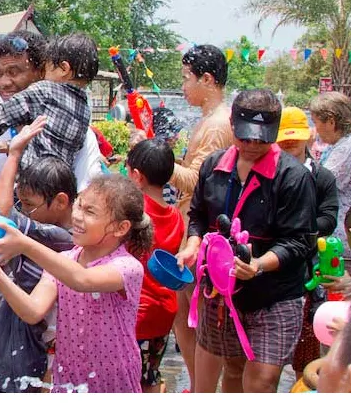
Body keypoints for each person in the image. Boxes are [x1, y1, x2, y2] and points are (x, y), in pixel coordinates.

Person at [177, 89, 316, 393]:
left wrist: (259, 265)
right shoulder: (214, 166)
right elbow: (199, 214)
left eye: (261, 138)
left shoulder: (293, 177)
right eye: (245, 137)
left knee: (261, 382)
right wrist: (193, 244)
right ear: (232, 125)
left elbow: (298, 241)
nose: (252, 145)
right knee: (233, 367)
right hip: (222, 291)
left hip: (274, 295)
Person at [0, 174, 152, 393]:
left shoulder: (126, 267)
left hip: (113, 381)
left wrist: (25, 245)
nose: (77, 216)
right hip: (69, 379)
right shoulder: (65, 261)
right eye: (79, 205)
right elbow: (32, 311)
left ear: (121, 228)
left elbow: (82, 280)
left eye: (90, 212)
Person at [0, 117, 78, 393]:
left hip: (24, 362)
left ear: (60, 202)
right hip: (8, 353)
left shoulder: (60, 240)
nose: (23, 210)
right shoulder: (49, 236)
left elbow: (0, 218)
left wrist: (14, 155)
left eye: (30, 205)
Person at [165, 44, 235, 388]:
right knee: (184, 315)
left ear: (207, 79)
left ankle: (200, 387)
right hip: (193, 224)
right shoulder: (212, 120)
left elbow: (198, 180)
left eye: (186, 79)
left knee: (191, 317)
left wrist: (160, 163)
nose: (183, 87)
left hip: (199, 231)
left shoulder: (217, 124)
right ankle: (198, 384)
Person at [0, 32, 100, 173]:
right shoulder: (83, 109)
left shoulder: (45, 91)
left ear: (40, 71)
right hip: (51, 185)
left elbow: (4, 114)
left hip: (33, 187)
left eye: (14, 72)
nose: (4, 82)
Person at [277, 106, 341, 379]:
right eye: (285, 140)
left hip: (309, 271)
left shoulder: (322, 177)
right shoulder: (269, 175)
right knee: (268, 358)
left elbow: (330, 217)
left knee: (307, 355)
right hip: (275, 271)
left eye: (295, 138)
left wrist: (302, 231)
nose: (290, 144)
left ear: (309, 137)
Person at [126, 139, 185, 393]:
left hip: (135, 313)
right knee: (149, 377)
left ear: (137, 176)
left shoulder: (133, 214)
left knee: (126, 380)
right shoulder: (176, 216)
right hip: (164, 311)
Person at [310, 91, 351, 273]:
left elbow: (319, 184)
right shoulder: (338, 147)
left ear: (331, 121)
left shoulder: (347, 149)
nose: (315, 129)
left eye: (316, 122)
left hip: (339, 241)